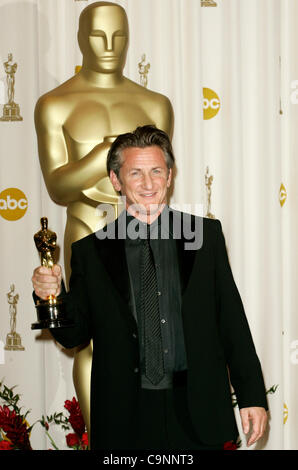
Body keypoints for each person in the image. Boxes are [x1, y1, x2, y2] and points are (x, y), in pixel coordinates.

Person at [32, 125, 268, 450]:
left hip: (198, 411)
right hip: (126, 417)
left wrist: (252, 397)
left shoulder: (206, 237)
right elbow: (74, 336)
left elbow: (232, 324)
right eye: (135, 173)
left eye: (157, 171)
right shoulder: (90, 252)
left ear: (170, 176)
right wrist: (50, 295)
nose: (148, 184)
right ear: (116, 181)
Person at [34, 2, 174, 430]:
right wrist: (102, 156)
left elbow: (160, 177)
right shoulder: (55, 104)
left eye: (119, 35)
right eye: (97, 35)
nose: (110, 46)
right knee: (92, 342)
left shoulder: (155, 102)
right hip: (87, 226)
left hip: (145, 228)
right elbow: (57, 186)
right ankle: (103, 441)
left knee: (156, 333)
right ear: (80, 38)